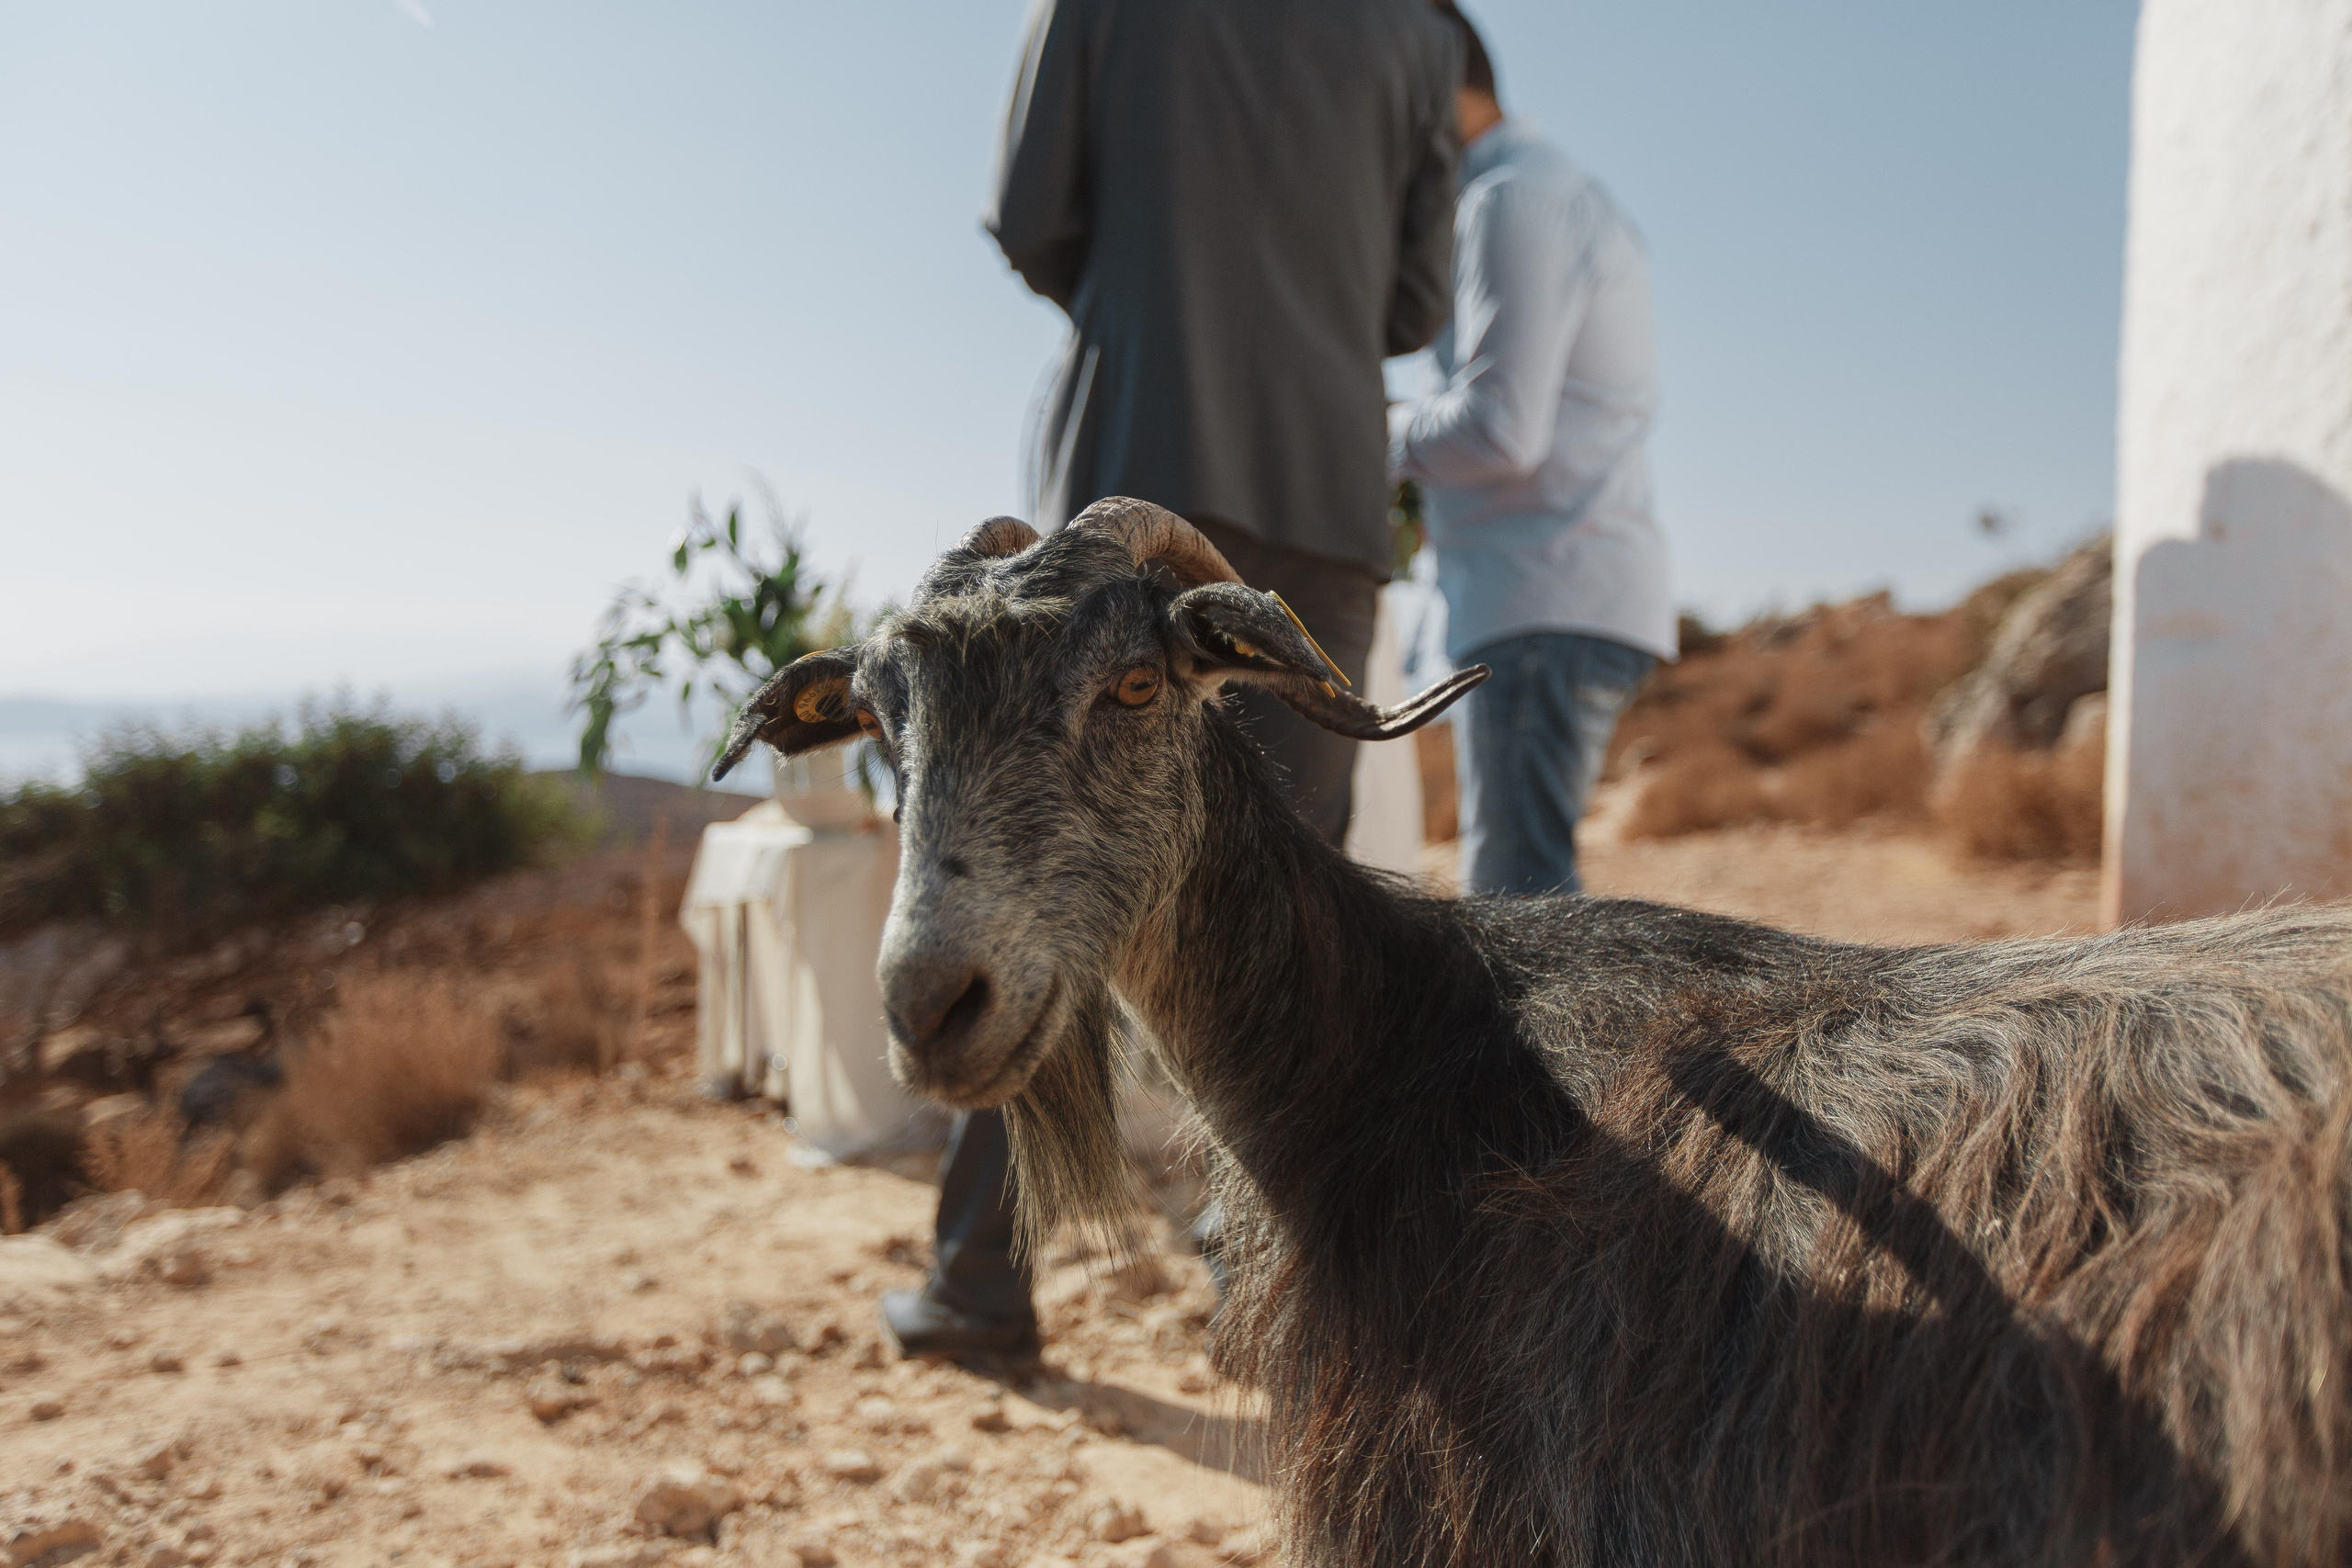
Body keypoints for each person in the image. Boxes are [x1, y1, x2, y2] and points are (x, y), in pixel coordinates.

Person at [879, 0, 1464, 1359]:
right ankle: (1269, 1299)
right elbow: (1416, 304)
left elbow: (1030, 216)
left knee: (1034, 865)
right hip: (1326, 488)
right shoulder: (1423, 32)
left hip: (1136, 455)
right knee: (1289, 902)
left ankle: (978, 1285)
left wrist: (1158, 284)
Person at [1389, 3, 1675, 898]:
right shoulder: (1545, 191)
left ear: (1428, 87)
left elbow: (1499, 430)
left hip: (1542, 598)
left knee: (1517, 914)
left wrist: (1370, 435)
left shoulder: (1510, 199)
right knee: (1526, 904)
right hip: (1557, 594)